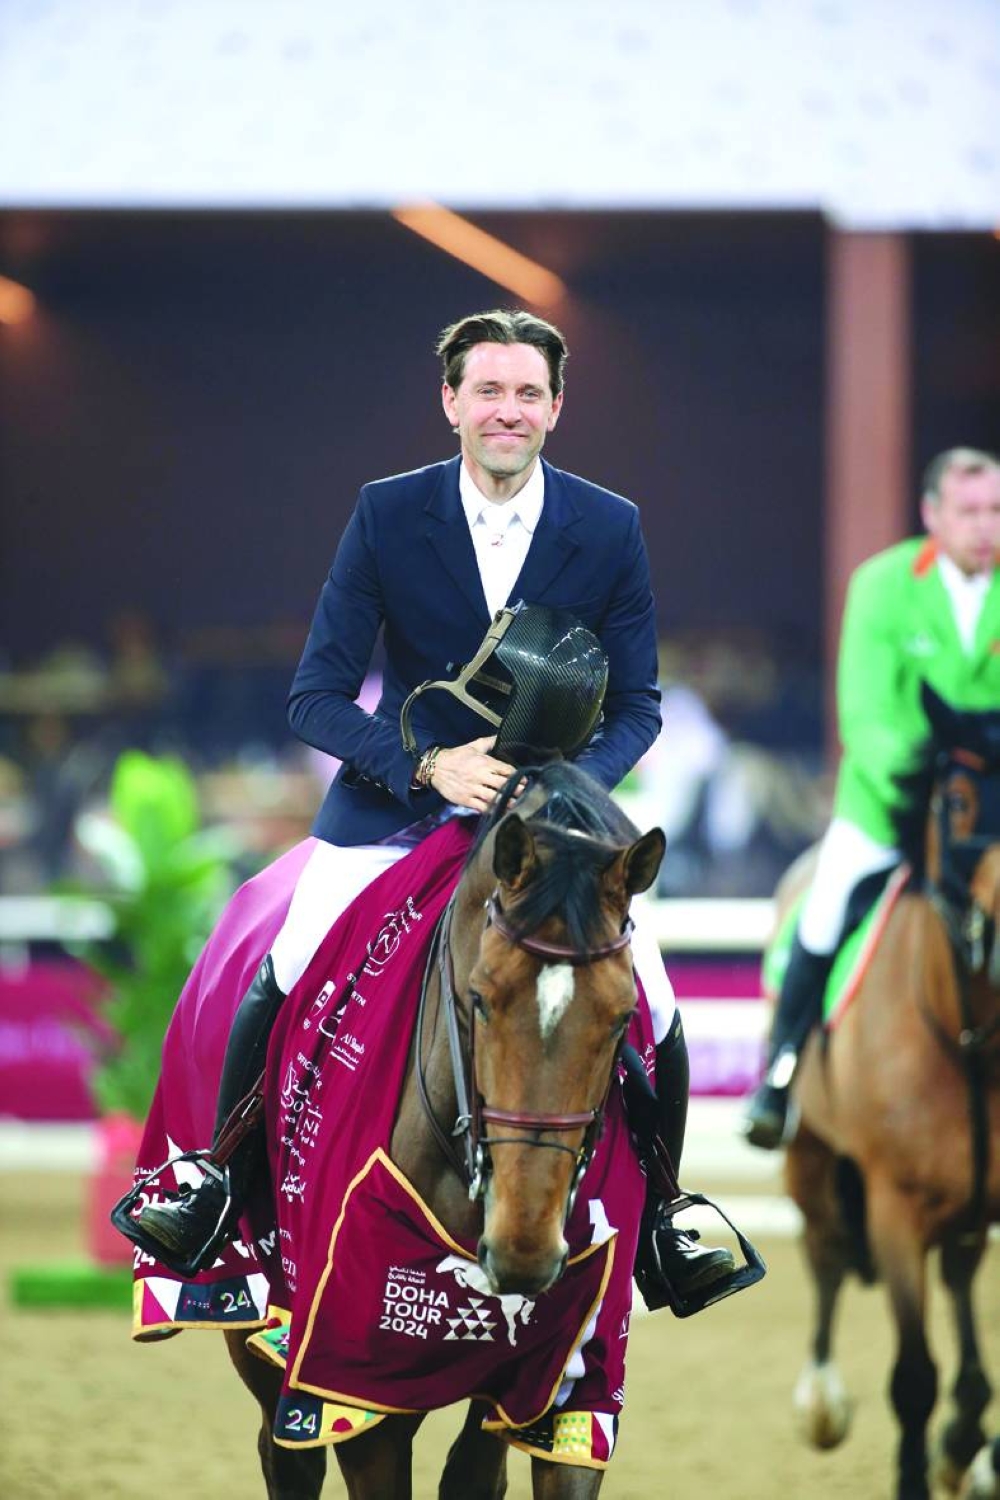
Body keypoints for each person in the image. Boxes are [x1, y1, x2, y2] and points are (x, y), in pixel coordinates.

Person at [131, 307, 735, 1300]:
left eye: (528, 393)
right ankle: (212, 1177)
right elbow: (314, 696)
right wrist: (429, 767)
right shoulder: (386, 513)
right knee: (285, 959)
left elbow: (637, 706)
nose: (508, 411)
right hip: (390, 811)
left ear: (557, 407)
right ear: (450, 402)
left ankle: (668, 1214)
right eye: (488, 391)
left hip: (543, 828)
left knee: (655, 998)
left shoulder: (608, 525)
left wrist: (561, 788)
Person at [744, 445, 1000, 1148]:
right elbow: (866, 716)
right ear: (933, 515)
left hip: (995, 807)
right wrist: (931, 777)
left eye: (996, 511)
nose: (986, 527)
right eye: (971, 511)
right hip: (892, 802)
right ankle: (782, 1071)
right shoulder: (882, 584)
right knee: (823, 911)